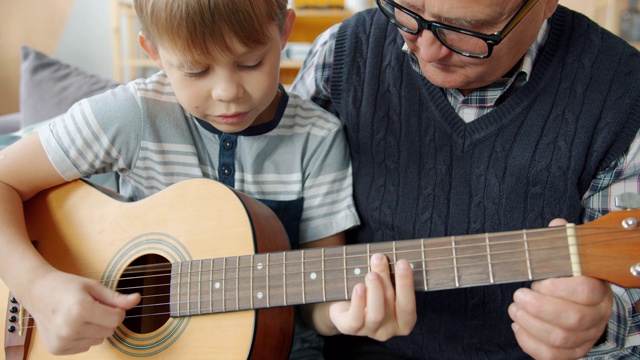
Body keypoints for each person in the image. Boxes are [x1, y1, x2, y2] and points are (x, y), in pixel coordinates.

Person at [0, 0, 360, 358]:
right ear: (153, 52)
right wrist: (37, 288)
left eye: (250, 62)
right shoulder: (133, 114)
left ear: (284, 31)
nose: (227, 92)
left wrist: (339, 315)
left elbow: (319, 294)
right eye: (195, 70)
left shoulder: (319, 138)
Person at [291, 0, 640, 358]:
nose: (428, 50)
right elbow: (268, 228)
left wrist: (601, 323)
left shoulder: (625, 96)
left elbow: (629, 296)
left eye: (465, 28)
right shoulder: (339, 54)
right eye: (408, 11)